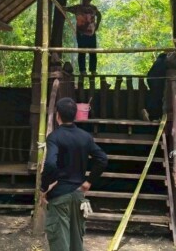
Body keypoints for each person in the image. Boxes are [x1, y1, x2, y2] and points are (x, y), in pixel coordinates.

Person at [41, 97, 108, 251]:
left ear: (58, 115)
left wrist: (44, 187)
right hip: (78, 194)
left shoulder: (54, 137)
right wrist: (88, 182)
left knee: (60, 243)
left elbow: (50, 164)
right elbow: (102, 159)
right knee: (77, 243)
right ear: (75, 115)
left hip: (59, 196)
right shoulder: (85, 136)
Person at [66, 0, 102, 75]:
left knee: (93, 52)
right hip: (81, 34)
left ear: (90, 0)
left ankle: (93, 70)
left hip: (91, 34)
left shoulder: (93, 8)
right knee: (81, 52)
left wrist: (97, 25)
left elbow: (99, 15)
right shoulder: (77, 8)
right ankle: (82, 70)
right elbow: (67, 9)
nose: (85, 1)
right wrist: (62, 7)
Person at [143, 53, 168, 121]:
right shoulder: (163, 62)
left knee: (154, 97)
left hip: (152, 81)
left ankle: (150, 113)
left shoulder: (157, 61)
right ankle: (154, 116)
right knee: (158, 98)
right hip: (158, 82)